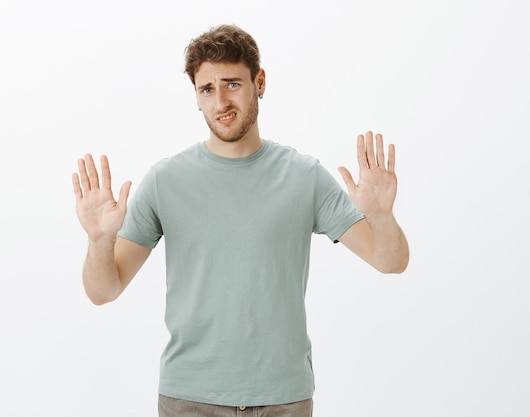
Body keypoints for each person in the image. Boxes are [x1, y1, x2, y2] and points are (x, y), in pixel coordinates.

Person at [72, 24, 409, 417]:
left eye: (232, 84)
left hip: (283, 399)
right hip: (189, 399)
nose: (220, 103)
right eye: (207, 90)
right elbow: (103, 291)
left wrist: (382, 217)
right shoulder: (165, 181)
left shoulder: (304, 176)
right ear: (196, 96)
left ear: (259, 81)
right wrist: (98, 241)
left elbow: (390, 261)